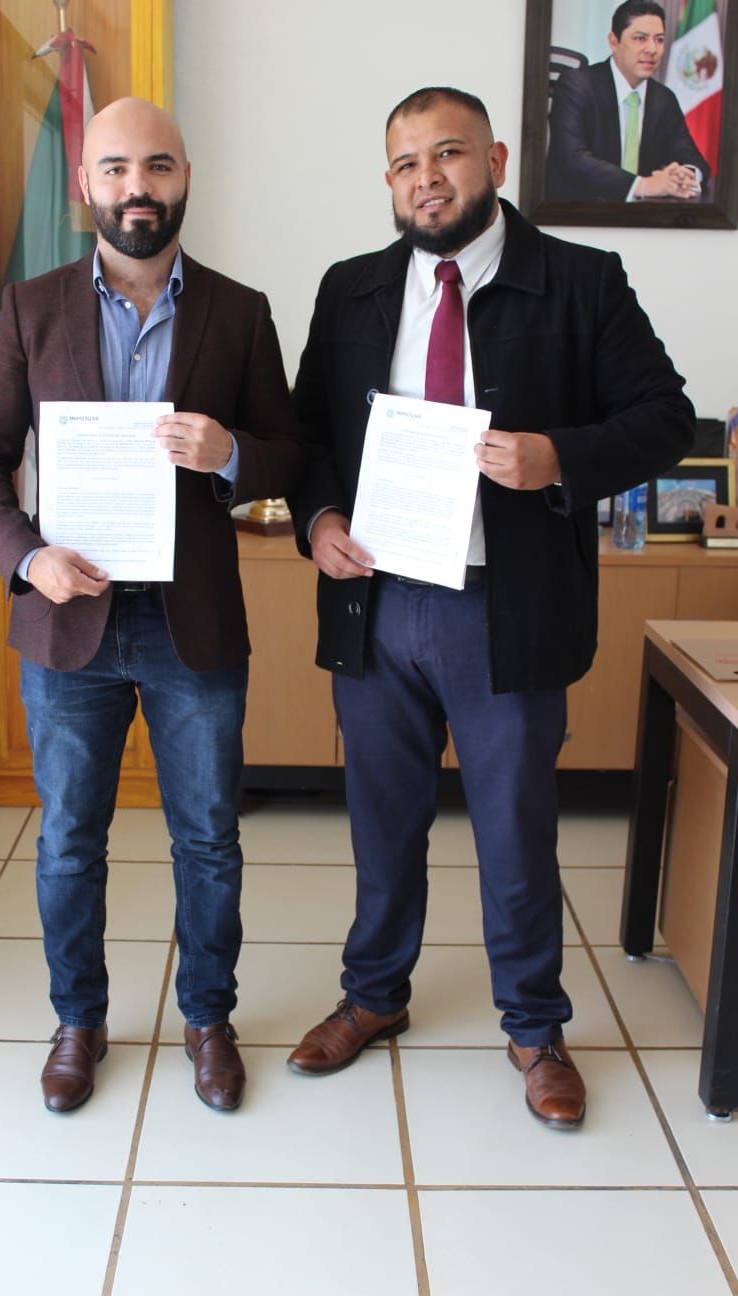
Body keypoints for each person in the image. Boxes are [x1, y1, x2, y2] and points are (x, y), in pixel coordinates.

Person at [286, 85, 694, 1129]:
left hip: (502, 607)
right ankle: (374, 994)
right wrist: (319, 518)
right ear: (388, 182)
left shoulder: (581, 281)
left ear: (497, 161)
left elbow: (664, 417)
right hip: (376, 601)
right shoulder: (351, 289)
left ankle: (535, 1026)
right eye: (405, 163)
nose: (426, 179)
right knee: (383, 822)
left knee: (515, 828)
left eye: (448, 154)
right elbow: (308, 434)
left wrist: (558, 456)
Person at [0, 97, 304, 1115]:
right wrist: (26, 557)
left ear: (185, 177)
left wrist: (230, 454)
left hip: (196, 626)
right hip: (69, 624)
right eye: (114, 168)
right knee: (70, 839)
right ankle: (79, 1020)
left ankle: (208, 1020)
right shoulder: (31, 307)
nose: (136, 187)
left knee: (209, 839)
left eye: (156, 166)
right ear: (85, 185)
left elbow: (290, 453)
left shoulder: (240, 311)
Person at [545, 1, 710, 203]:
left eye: (659, 40)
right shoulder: (576, 85)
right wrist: (644, 185)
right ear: (614, 42)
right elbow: (571, 158)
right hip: (579, 212)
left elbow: (693, 158)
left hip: (642, 217)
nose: (652, 49)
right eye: (640, 38)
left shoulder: (664, 98)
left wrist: (685, 175)